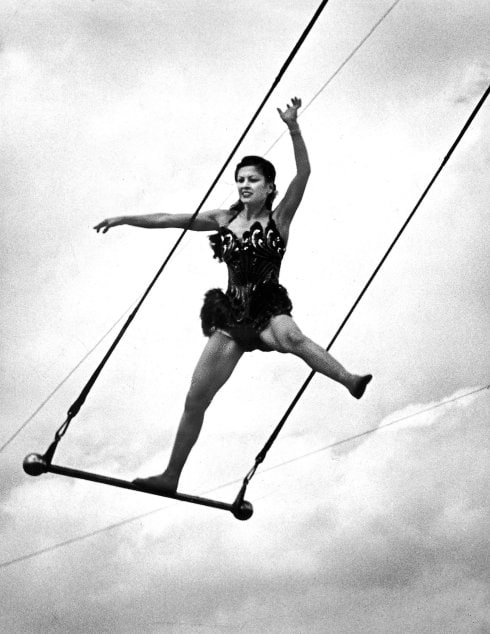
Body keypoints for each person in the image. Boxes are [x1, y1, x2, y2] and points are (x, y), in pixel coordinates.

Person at [94, 97, 371, 492]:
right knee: (196, 399)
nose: (244, 185)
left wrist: (293, 126)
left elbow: (305, 172)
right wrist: (126, 218)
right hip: (230, 319)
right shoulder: (222, 220)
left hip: (268, 308)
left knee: (292, 338)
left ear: (270, 187)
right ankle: (171, 475)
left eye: (253, 179)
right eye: (240, 180)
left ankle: (349, 379)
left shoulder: (281, 218)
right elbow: (169, 219)